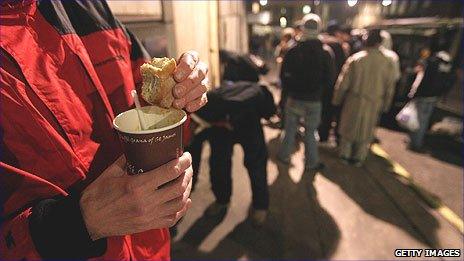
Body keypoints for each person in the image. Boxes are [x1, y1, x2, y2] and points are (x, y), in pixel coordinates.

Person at [0, 1, 208, 260]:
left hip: (152, 248)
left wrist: (183, 91)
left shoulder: (90, 7)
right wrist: (79, 223)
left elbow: (145, 98)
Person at [187, 80, 276, 226]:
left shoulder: (212, 105)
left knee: (256, 164)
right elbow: (192, 158)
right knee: (218, 163)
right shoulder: (195, 125)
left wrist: (231, 121)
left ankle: (261, 205)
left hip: (247, 121)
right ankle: (222, 200)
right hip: (220, 126)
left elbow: (257, 94)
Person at [332, 29, 399, 167]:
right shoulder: (388, 61)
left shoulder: (356, 59)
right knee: (366, 131)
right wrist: (386, 104)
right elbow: (390, 86)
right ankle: (359, 157)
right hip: (374, 101)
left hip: (354, 99)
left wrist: (336, 99)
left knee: (349, 128)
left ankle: (345, 154)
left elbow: (343, 83)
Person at [277, 14, 335, 171]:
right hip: (314, 100)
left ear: (302, 28)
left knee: (289, 130)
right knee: (310, 132)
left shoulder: (292, 50)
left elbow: (283, 76)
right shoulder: (325, 52)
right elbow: (330, 80)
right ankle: (311, 162)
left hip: (294, 98)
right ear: (319, 28)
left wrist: (289, 91)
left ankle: (284, 156)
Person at [407, 39, 456, 152]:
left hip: (424, 94)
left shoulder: (431, 61)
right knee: (424, 120)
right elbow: (450, 80)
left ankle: (415, 143)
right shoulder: (448, 64)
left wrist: (414, 93)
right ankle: (416, 141)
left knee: (418, 119)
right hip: (434, 96)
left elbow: (421, 79)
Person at [318, 22, 349, 144]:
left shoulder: (320, 42)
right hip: (332, 84)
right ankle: (328, 137)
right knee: (330, 112)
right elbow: (342, 67)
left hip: (318, 84)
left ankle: (322, 135)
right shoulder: (337, 45)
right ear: (337, 32)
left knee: (321, 111)